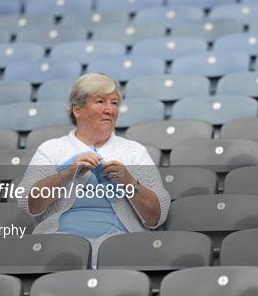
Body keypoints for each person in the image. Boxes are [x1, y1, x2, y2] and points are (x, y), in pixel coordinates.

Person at [18, 73, 170, 266]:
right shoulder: (52, 149)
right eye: (100, 102)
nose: (109, 110)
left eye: (114, 103)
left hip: (119, 245)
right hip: (60, 242)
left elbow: (156, 216)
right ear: (77, 109)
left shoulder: (134, 151)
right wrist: (65, 174)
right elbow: (28, 203)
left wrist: (129, 182)